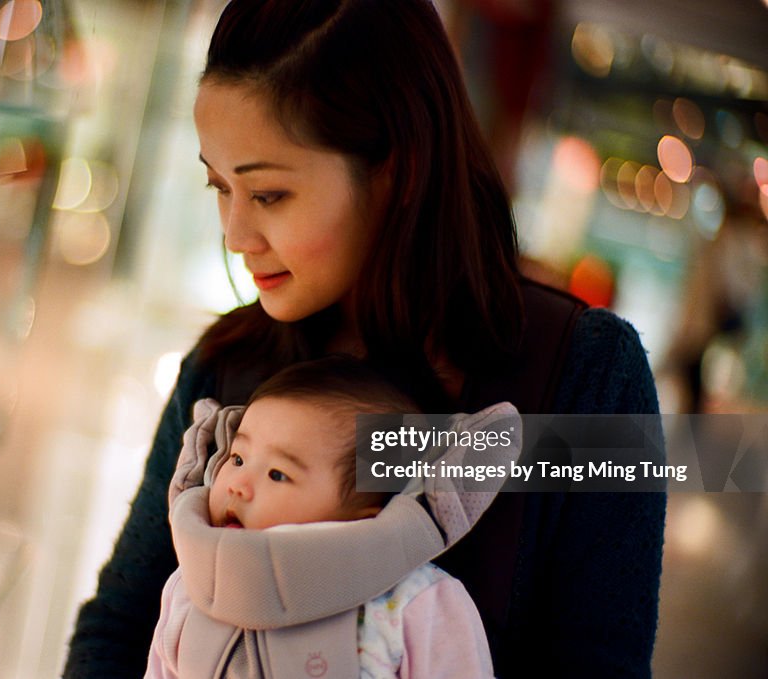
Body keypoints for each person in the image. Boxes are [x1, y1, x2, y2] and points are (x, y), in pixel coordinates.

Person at [63, 1, 665, 677]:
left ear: (398, 170)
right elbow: (119, 625)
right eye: (219, 186)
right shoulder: (224, 368)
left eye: (269, 195)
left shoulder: (586, 377)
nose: (234, 234)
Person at [147, 357, 517, 678]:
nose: (238, 486)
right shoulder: (188, 587)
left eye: (278, 474)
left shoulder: (415, 602)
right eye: (238, 459)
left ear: (362, 517)